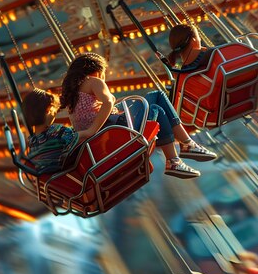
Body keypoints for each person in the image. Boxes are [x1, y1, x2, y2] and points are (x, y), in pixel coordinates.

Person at [60, 52, 217, 179]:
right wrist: (92, 130)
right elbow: (107, 103)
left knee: (156, 109)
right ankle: (186, 145)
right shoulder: (93, 81)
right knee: (157, 95)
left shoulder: (72, 97)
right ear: (97, 70)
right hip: (118, 130)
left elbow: (96, 112)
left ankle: (175, 160)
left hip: (107, 138)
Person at [167, 24, 258, 137]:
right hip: (236, 92)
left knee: (247, 80)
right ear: (194, 41)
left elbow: (184, 110)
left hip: (217, 111)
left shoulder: (182, 78)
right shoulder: (213, 55)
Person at [21, 88, 81, 174]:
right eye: (55, 110)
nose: (56, 113)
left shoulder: (32, 140)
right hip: (65, 173)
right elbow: (77, 137)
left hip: (48, 178)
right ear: (48, 110)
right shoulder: (57, 131)